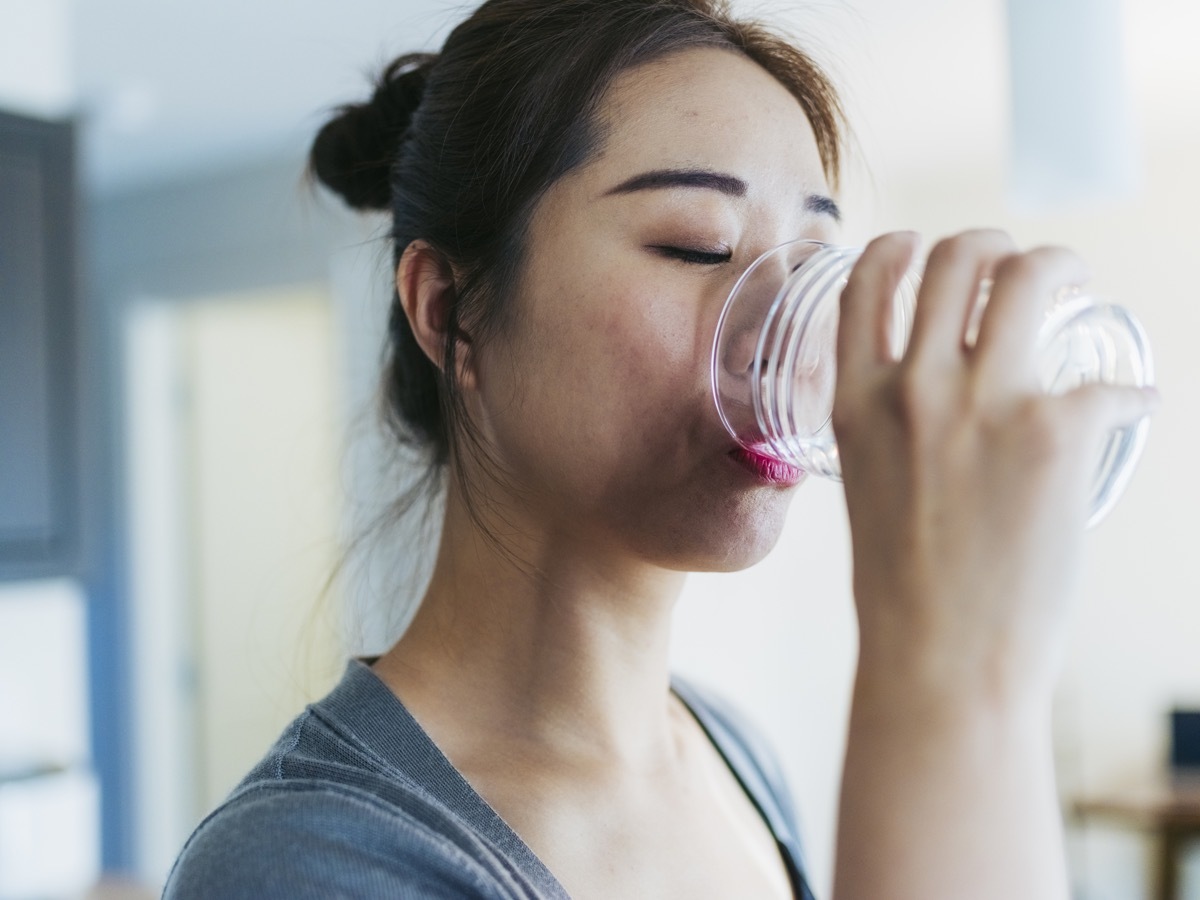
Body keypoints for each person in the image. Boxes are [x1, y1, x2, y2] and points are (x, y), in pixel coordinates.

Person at [162, 0, 1158, 897]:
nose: (782, 330)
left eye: (811, 265)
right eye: (695, 246)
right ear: (449, 311)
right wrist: (945, 660)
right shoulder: (306, 862)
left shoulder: (730, 755)